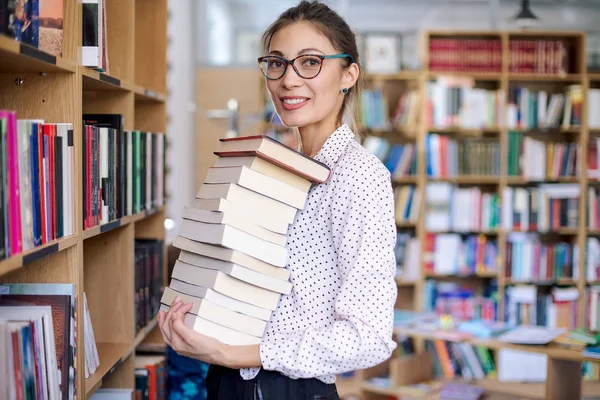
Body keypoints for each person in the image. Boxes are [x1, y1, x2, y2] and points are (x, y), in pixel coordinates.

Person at [157, 1, 398, 399]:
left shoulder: (358, 175)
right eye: (277, 63)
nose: (288, 80)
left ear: (348, 74)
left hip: (285, 388)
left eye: (310, 63)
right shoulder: (287, 171)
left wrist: (232, 353)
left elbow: (367, 336)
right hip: (228, 380)